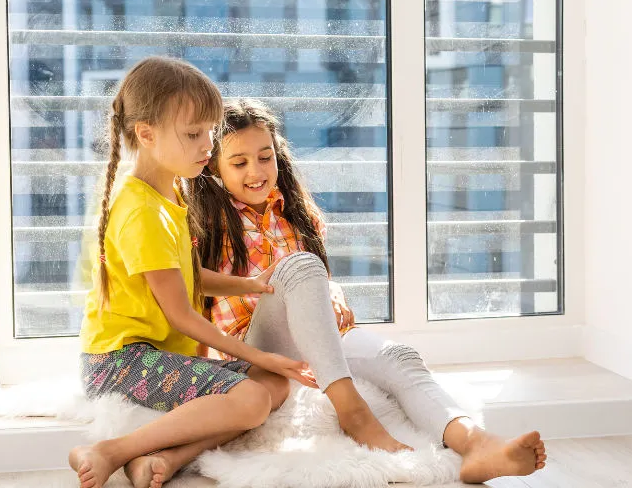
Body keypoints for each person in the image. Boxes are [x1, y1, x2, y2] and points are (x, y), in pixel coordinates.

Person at [191, 98, 548, 483]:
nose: (256, 171)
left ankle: (476, 443)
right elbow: (192, 295)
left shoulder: (293, 213)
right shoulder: (204, 219)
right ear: (213, 167)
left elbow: (311, 279)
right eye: (239, 163)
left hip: (320, 339)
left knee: (399, 356)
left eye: (265, 157)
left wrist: (332, 289)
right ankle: (353, 413)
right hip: (258, 347)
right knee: (301, 265)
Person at [68, 59, 317, 488]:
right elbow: (182, 313)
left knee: (274, 385)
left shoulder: (167, 191)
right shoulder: (142, 212)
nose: (207, 144)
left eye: (208, 130)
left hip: (156, 355)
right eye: (192, 134)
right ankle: (115, 450)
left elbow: (183, 274)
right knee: (254, 396)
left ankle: (169, 456)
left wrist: (250, 285)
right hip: (118, 362)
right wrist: (257, 355)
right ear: (145, 134)